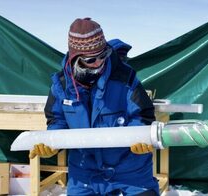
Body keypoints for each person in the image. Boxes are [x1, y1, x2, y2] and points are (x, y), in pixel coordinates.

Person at [29, 18, 159, 196]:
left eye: (102, 56)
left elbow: (143, 115)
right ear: (75, 58)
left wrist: (140, 136)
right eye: (91, 60)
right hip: (85, 171)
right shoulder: (61, 86)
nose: (98, 63)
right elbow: (57, 120)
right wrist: (52, 143)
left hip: (130, 170)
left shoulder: (125, 78)